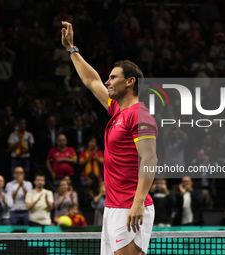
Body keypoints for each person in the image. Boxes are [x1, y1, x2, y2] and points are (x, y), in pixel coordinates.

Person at [61, 21, 158, 255]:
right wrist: (72, 49)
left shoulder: (140, 115)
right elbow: (91, 80)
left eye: (114, 77)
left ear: (130, 81)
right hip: (113, 206)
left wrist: (137, 202)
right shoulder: (118, 111)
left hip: (130, 206)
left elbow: (150, 159)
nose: (108, 81)